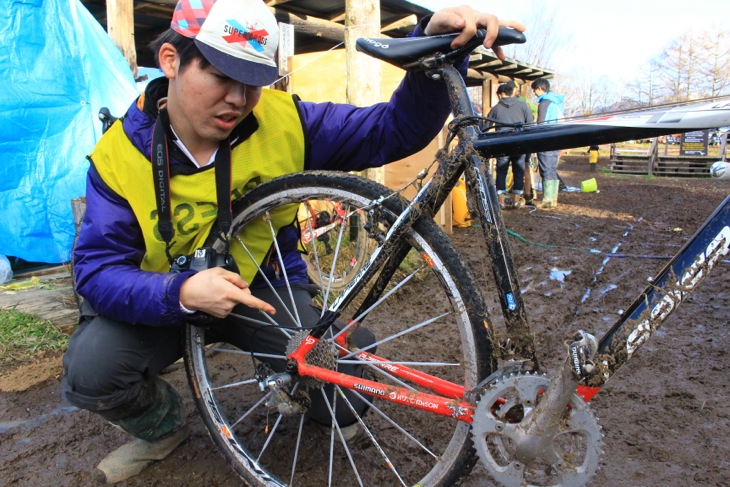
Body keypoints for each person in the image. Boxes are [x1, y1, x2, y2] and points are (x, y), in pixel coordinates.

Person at [61, 0, 524, 483]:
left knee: (348, 371)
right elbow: (95, 271)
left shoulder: (286, 122)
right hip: (159, 300)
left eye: (252, 82)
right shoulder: (118, 157)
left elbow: (391, 131)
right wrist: (177, 293)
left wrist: (439, 45)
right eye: (222, 75)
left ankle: (310, 392)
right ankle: (161, 428)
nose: (238, 100)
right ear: (172, 60)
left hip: (262, 291)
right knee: (92, 371)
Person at [486, 81, 534, 208]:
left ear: (501, 94)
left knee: (501, 172)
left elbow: (485, 126)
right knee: (518, 171)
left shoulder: (496, 108)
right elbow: (530, 124)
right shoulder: (523, 106)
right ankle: (517, 201)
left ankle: (501, 202)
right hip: (520, 143)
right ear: (512, 93)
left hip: (502, 143)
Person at [530, 77, 565, 208]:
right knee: (551, 168)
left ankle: (547, 199)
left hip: (546, 140)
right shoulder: (556, 103)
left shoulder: (544, 103)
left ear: (540, 88)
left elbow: (541, 123)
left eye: (535, 90)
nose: (534, 93)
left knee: (545, 169)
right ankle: (553, 199)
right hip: (557, 139)